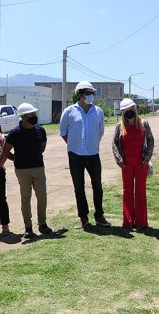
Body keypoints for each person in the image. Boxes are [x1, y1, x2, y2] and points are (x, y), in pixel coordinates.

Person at [60, 80, 110, 229]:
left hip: (94, 154)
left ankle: (99, 216)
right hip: (75, 156)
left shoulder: (98, 111)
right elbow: (63, 132)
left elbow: (100, 131)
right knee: (79, 187)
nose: (91, 96)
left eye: (92, 93)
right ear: (80, 94)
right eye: (88, 93)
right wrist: (74, 145)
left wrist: (91, 144)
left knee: (97, 186)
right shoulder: (69, 111)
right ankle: (83, 217)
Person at [4, 103, 52, 240]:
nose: (34, 118)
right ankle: (28, 227)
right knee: (26, 198)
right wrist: (17, 160)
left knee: (42, 196)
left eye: (34, 115)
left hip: (38, 167)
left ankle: (42, 224)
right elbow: (6, 151)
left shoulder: (40, 130)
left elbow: (42, 147)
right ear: (23, 117)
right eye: (31, 115)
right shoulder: (14, 132)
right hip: (22, 170)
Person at [112, 98, 155, 230]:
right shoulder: (120, 126)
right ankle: (128, 221)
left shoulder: (144, 123)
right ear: (122, 112)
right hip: (126, 164)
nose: (129, 113)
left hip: (141, 163)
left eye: (131, 110)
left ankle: (141, 222)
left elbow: (150, 140)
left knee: (140, 192)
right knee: (127, 192)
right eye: (126, 111)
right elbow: (114, 143)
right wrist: (119, 159)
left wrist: (147, 158)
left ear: (135, 110)